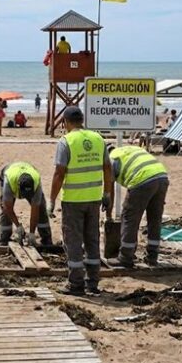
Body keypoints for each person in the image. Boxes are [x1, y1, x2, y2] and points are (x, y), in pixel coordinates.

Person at [49, 106, 112, 297]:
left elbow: (59, 173)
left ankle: (76, 284)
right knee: (92, 239)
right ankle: (92, 282)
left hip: (74, 200)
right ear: (82, 120)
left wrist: (52, 200)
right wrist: (107, 194)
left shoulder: (66, 141)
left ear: (65, 123)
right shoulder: (98, 139)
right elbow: (107, 168)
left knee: (74, 241)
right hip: (94, 198)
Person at [104, 145, 169, 268]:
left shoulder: (110, 159)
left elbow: (109, 192)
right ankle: (152, 257)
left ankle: (125, 257)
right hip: (162, 176)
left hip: (142, 179)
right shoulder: (128, 150)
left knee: (129, 217)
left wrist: (108, 216)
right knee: (154, 219)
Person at [0, 162, 52, 246]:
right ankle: (4, 238)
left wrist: (32, 233)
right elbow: (8, 208)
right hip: (9, 172)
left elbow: (35, 210)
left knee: (41, 208)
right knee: (5, 210)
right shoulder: (9, 182)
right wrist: (18, 226)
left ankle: (46, 239)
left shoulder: (36, 183)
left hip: (29, 169)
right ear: (18, 187)